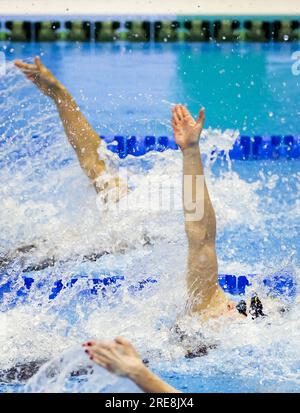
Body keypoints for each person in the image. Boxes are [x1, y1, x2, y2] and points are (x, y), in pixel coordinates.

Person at [15, 57, 265, 390]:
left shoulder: (201, 312)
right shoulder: (209, 308)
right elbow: (201, 235)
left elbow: (94, 163)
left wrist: (61, 97)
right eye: (237, 308)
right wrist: (191, 152)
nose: (232, 308)